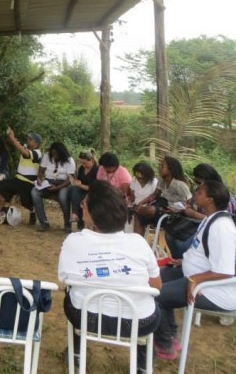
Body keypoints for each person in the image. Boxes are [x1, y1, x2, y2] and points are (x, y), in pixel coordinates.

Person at [58, 180, 161, 374]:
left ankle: (77, 355)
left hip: (85, 318)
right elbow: (157, 286)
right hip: (140, 323)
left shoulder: (73, 242)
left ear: (92, 216)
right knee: (151, 303)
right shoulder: (139, 242)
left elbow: (65, 280)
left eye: (84, 205)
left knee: (72, 293)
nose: (82, 208)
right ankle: (142, 365)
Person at [153, 180, 236, 362]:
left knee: (156, 296)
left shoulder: (222, 228)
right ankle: (170, 336)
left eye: (199, 191)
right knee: (153, 282)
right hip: (194, 275)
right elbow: (205, 255)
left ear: (210, 199)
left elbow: (226, 271)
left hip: (215, 290)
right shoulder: (210, 219)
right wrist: (184, 261)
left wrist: (194, 279)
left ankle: (165, 345)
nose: (195, 193)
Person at [165, 163, 236, 260]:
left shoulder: (223, 196)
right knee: (170, 235)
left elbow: (223, 220)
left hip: (210, 229)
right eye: (196, 182)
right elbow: (194, 206)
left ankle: (186, 265)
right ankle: (180, 264)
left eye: (199, 182)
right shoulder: (200, 191)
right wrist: (184, 208)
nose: (197, 186)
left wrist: (193, 213)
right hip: (196, 224)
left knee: (182, 244)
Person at [134, 156, 191, 236]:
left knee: (149, 210)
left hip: (172, 211)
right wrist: (141, 202)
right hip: (161, 204)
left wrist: (176, 209)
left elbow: (189, 203)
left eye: (162, 166)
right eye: (159, 165)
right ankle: (138, 244)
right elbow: (154, 195)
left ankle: (138, 210)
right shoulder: (161, 180)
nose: (159, 168)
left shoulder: (180, 185)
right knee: (139, 216)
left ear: (170, 169)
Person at [0, 129, 42, 225]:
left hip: (28, 182)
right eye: (28, 138)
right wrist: (10, 134)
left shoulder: (37, 153)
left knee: (25, 201)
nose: (28, 140)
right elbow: (13, 142)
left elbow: (25, 153)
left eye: (31, 139)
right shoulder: (25, 147)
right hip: (18, 179)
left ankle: (32, 210)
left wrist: (13, 139)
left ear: (36, 143)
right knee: (2, 187)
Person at [31, 141, 75, 231]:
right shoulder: (47, 156)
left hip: (63, 183)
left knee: (63, 197)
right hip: (48, 182)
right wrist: (40, 179)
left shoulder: (69, 160)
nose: (54, 156)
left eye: (56, 154)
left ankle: (67, 224)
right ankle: (44, 223)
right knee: (34, 192)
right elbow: (41, 170)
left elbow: (70, 179)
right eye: (53, 154)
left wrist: (58, 187)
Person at [64, 150, 99, 230]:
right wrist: (76, 182)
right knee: (74, 190)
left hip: (91, 192)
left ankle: (75, 214)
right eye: (81, 163)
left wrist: (80, 185)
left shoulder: (97, 170)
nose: (83, 165)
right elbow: (79, 181)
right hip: (80, 190)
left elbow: (93, 188)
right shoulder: (81, 169)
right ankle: (76, 216)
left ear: (92, 161)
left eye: (85, 163)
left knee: (77, 194)